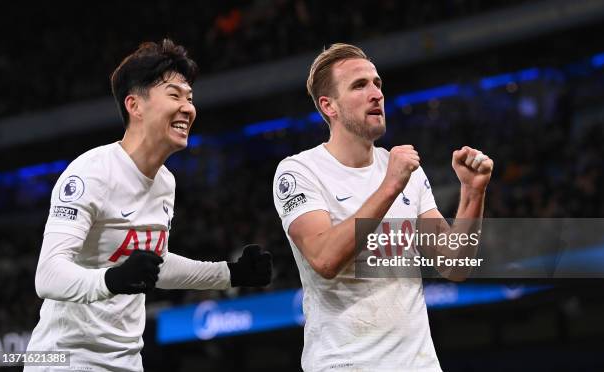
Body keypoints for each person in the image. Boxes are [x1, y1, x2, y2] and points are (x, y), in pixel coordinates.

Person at [25, 39, 272, 371]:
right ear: (134, 105)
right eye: (174, 95)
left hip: (127, 360)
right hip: (67, 359)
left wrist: (230, 274)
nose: (188, 107)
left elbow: (155, 266)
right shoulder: (92, 172)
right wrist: (111, 280)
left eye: (190, 98)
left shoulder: (165, 182)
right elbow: (49, 275)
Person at [272, 43, 493, 371]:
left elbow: (454, 266)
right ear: (328, 106)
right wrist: (390, 185)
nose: (376, 93)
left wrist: (473, 193)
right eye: (359, 85)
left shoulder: (404, 169)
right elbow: (324, 258)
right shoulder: (299, 171)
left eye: (377, 83)